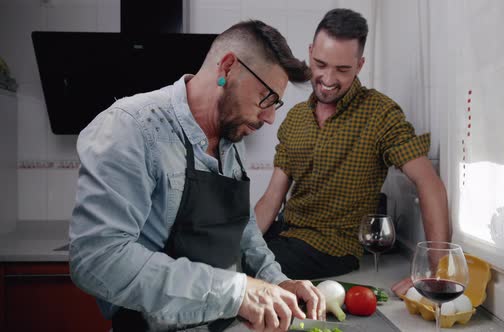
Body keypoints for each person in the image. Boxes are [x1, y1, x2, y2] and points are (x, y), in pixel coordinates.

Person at [69, 20, 325, 332]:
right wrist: (237, 290)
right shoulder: (130, 127)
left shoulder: (231, 141)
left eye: (276, 104)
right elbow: (98, 259)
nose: (270, 118)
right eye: (266, 97)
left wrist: (277, 280)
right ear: (228, 67)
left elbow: (242, 229)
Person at [255, 8, 450, 295]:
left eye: (342, 69)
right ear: (310, 52)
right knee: (220, 251)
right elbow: (272, 198)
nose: (328, 78)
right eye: (320, 64)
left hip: (330, 247)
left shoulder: (380, 113)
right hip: (285, 233)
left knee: (245, 268)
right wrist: (242, 242)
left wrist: (437, 271)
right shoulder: (295, 117)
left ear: (359, 65)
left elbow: (429, 184)